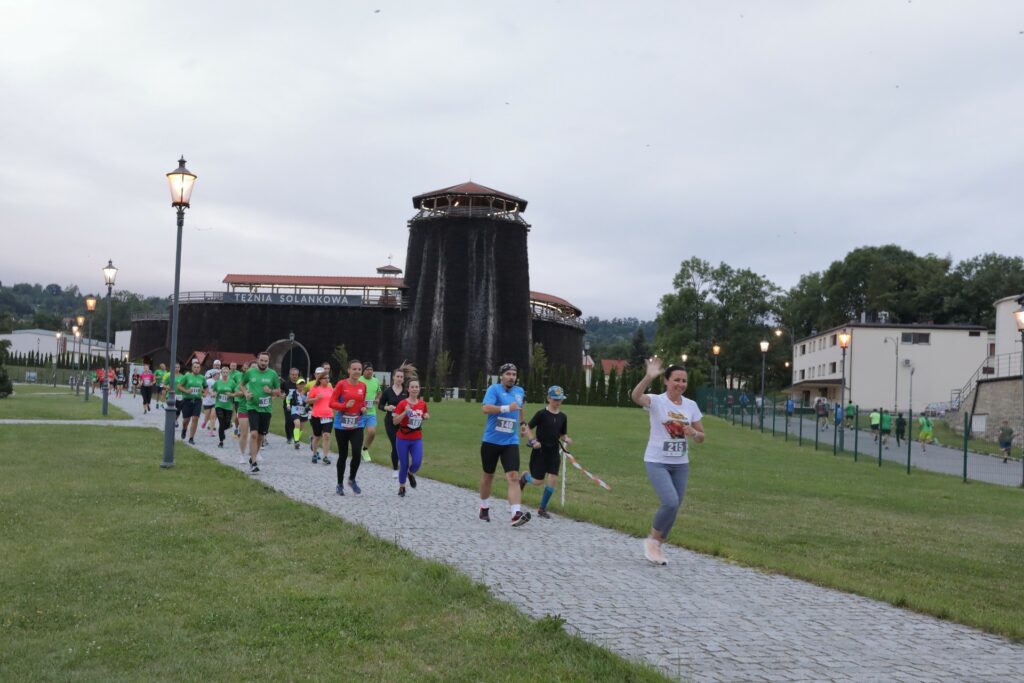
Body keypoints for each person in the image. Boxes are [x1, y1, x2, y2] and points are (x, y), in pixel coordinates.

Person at [630, 357, 705, 566]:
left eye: (684, 381)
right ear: (666, 381)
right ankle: (653, 541)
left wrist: (694, 433)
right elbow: (635, 396)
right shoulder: (657, 401)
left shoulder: (691, 405)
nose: (681, 384)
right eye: (677, 380)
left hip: (681, 464)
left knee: (675, 506)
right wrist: (648, 376)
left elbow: (701, 436)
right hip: (657, 461)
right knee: (670, 501)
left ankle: (658, 545)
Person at [479, 362, 531, 527]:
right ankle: (484, 506)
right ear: (501, 376)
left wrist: (523, 424)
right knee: (488, 475)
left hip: (510, 441)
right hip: (491, 441)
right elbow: (486, 408)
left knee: (513, 476)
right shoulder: (494, 389)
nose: (511, 377)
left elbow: (520, 408)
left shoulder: (519, 391)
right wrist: (507, 408)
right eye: (508, 374)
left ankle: (516, 513)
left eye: (514, 375)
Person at [520, 385, 571, 519]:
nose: (557, 402)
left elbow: (562, 434)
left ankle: (542, 508)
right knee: (538, 482)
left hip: (554, 451)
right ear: (548, 398)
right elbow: (527, 428)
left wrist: (566, 438)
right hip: (540, 451)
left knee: (553, 478)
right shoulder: (541, 414)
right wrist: (533, 441)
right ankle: (525, 477)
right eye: (555, 399)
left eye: (560, 399)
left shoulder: (563, 417)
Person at [240, 352, 282, 473]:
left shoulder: (273, 374)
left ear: (268, 362)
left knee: (260, 436)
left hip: (266, 409)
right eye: (262, 360)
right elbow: (242, 385)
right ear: (258, 360)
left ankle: (253, 456)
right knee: (253, 434)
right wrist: (246, 393)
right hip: (252, 407)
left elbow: (278, 392)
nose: (263, 363)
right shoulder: (249, 372)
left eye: (266, 361)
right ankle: (254, 462)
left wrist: (270, 391)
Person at [330, 359, 367, 495]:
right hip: (342, 425)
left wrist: (363, 408)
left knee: (357, 453)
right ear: (349, 370)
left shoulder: (362, 386)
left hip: (357, 424)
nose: (357, 371)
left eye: (359, 369)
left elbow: (361, 402)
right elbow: (331, 403)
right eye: (354, 369)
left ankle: (352, 479)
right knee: (343, 455)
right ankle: (339, 484)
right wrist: (344, 406)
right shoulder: (341, 384)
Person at [393, 377, 429, 497]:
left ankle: (411, 472)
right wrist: (405, 412)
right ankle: (402, 486)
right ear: (408, 389)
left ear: (419, 389)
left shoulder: (422, 404)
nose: (414, 389)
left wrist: (425, 417)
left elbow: (420, 420)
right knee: (403, 463)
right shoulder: (402, 403)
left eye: (416, 387)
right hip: (402, 438)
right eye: (412, 387)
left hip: (416, 438)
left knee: (417, 462)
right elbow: (395, 422)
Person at [379, 366, 408, 478]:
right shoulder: (387, 391)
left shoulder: (406, 391)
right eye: (397, 376)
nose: (399, 379)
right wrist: (387, 408)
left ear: (403, 379)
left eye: (401, 377)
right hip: (390, 422)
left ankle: (404, 466)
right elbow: (380, 405)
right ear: (393, 378)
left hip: (403, 422)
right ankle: (396, 469)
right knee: (395, 444)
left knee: (403, 445)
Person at [307, 370, 334, 465]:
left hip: (328, 416)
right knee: (317, 437)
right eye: (325, 378)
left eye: (328, 378)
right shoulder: (315, 389)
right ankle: (314, 454)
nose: (327, 380)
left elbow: (334, 401)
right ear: (321, 380)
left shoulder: (331, 389)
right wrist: (316, 399)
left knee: (326, 436)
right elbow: (308, 401)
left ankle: (325, 456)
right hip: (316, 416)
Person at [176, 360, 206, 445]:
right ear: (192, 368)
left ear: (200, 369)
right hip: (187, 400)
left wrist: (205, 393)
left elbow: (206, 387)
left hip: (197, 400)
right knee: (186, 420)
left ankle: (191, 438)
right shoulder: (187, 376)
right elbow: (179, 386)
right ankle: (184, 429)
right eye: (195, 367)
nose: (196, 369)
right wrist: (186, 391)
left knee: (195, 418)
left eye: (198, 367)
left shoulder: (202, 378)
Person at [359, 363, 382, 462]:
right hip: (359, 412)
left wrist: (377, 398)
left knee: (372, 433)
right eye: (367, 369)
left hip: (371, 412)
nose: (369, 371)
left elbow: (379, 391)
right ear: (363, 371)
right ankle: (357, 451)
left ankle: (365, 449)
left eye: (371, 369)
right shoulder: (359, 380)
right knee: (358, 435)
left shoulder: (375, 380)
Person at [212, 366, 238, 448]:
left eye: (227, 372)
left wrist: (231, 395)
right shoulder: (217, 382)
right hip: (219, 405)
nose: (225, 374)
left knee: (227, 423)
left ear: (229, 373)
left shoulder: (232, 382)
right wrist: (213, 394)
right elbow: (213, 390)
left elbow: (237, 393)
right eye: (224, 372)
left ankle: (226, 427)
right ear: (221, 373)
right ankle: (221, 441)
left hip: (228, 406)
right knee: (221, 422)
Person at [288, 378, 310, 450]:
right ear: (297, 385)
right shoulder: (293, 392)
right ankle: (297, 441)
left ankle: (296, 439)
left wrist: (309, 407)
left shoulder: (307, 393)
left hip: (303, 411)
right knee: (297, 424)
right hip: (295, 410)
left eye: (303, 384)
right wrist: (288, 404)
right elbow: (288, 398)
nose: (301, 386)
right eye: (300, 384)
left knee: (301, 428)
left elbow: (309, 401)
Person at [280, 368, 300, 446]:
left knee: (295, 421)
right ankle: (289, 437)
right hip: (287, 406)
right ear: (290, 375)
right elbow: (280, 392)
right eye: (293, 374)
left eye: (296, 375)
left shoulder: (300, 383)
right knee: (288, 421)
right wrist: (281, 395)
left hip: (297, 406)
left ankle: (295, 436)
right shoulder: (285, 384)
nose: (294, 376)